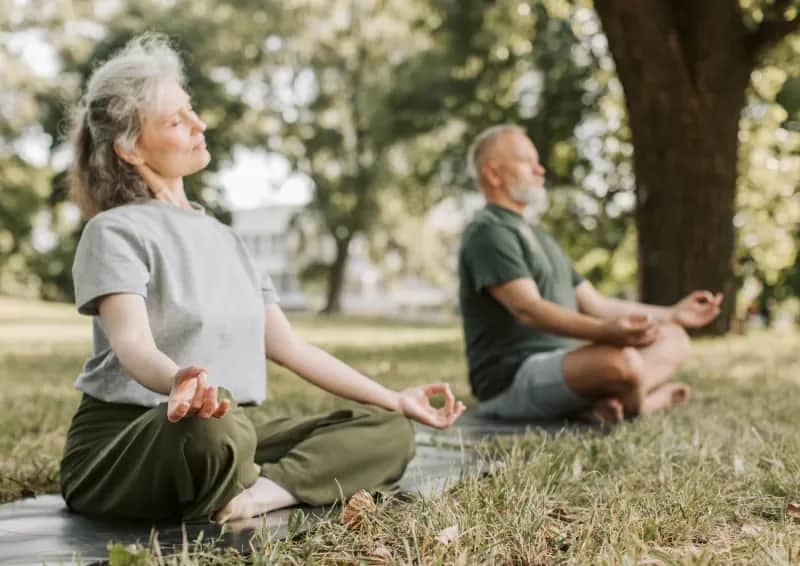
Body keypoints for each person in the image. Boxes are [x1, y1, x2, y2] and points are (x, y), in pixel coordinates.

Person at [59, 34, 464, 525]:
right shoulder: (114, 231)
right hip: (135, 441)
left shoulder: (228, 240)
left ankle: (256, 496)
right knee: (214, 427)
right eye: (175, 120)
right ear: (129, 148)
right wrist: (177, 379)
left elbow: (293, 349)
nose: (199, 125)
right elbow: (133, 344)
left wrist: (395, 398)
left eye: (192, 111)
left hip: (232, 429)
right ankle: (238, 478)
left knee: (387, 430)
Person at [458, 124, 722, 423]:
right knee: (623, 362)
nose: (540, 170)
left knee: (674, 338)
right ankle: (641, 404)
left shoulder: (540, 237)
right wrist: (605, 333)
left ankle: (603, 404)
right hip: (511, 380)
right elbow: (529, 309)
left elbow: (599, 305)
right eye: (526, 162)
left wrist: (671, 313)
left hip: (569, 368)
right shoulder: (489, 232)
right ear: (493, 174)